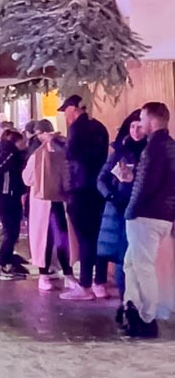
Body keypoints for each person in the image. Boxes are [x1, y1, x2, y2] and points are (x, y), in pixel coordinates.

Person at [122, 101, 175, 338]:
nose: (140, 122)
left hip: (146, 215)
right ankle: (131, 306)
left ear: (153, 120)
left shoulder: (153, 148)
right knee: (131, 264)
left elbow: (148, 184)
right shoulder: (170, 146)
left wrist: (132, 210)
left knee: (142, 267)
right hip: (164, 216)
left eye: (142, 118)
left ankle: (146, 317)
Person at [60, 95, 110, 302]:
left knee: (85, 239)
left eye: (66, 111)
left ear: (73, 109)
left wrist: (57, 142)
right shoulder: (100, 127)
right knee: (99, 237)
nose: (66, 116)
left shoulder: (76, 129)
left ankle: (85, 285)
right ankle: (100, 283)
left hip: (81, 191)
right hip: (99, 189)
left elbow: (72, 157)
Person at [97, 111, 146, 320]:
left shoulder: (149, 152)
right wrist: (111, 195)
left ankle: (137, 303)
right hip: (118, 211)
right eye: (132, 127)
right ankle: (125, 302)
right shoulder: (119, 152)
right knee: (121, 258)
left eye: (139, 127)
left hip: (141, 211)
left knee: (138, 260)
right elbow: (101, 179)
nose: (136, 131)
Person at [23, 120, 74, 293]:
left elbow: (27, 179)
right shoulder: (61, 151)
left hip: (47, 202)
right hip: (54, 202)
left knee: (54, 238)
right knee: (57, 237)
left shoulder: (37, 154)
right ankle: (60, 273)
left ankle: (51, 273)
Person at [0, 129, 27, 279]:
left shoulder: (14, 155)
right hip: (7, 198)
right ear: (15, 142)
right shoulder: (9, 155)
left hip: (12, 196)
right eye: (21, 141)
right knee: (10, 232)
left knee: (13, 232)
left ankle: (8, 265)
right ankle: (0, 266)